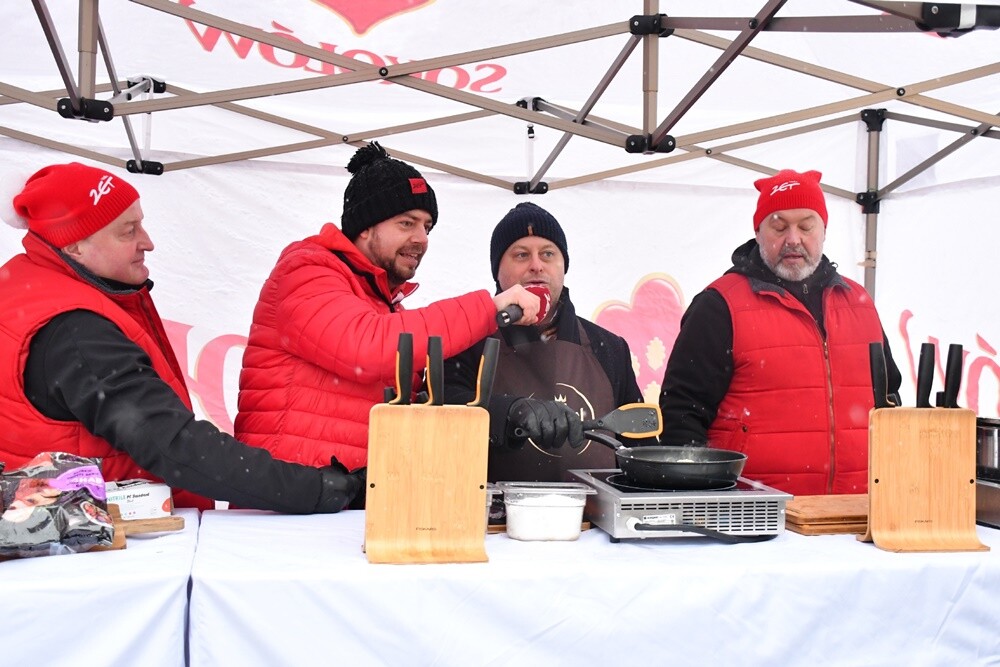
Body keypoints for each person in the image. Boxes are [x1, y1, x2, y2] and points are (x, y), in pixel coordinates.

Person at [0, 162, 364, 514]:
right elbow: (174, 445)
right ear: (74, 246)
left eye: (141, 225)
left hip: (60, 527)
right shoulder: (75, 330)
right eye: (128, 231)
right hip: (94, 547)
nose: (148, 242)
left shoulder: (30, 290)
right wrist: (321, 489)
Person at [235, 143, 541, 472]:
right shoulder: (306, 271)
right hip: (284, 502)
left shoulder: (382, 305)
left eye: (427, 227)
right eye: (407, 223)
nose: (422, 238)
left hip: (339, 499)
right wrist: (487, 308)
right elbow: (365, 346)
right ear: (365, 227)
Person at [658, 169, 902, 496]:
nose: (793, 239)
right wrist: (702, 498)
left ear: (824, 230)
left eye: (806, 225)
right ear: (758, 232)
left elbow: (889, 404)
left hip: (857, 514)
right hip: (752, 516)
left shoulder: (859, 303)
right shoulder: (719, 305)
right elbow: (682, 414)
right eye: (779, 225)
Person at [442, 202, 646, 482]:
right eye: (521, 255)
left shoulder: (609, 348)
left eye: (548, 254)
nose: (536, 266)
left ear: (563, 267)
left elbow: (640, 445)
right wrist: (509, 411)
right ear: (498, 273)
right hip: (495, 520)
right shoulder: (467, 343)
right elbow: (444, 416)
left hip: (594, 520)